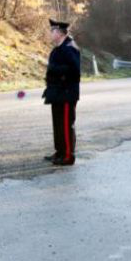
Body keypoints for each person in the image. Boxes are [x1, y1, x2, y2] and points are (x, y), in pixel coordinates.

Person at [43, 19, 81, 166]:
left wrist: (55, 71)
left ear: (59, 32)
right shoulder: (58, 48)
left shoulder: (70, 47)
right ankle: (59, 151)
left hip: (66, 93)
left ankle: (67, 156)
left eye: (52, 31)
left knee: (66, 125)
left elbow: (74, 71)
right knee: (57, 124)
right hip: (57, 93)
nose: (50, 33)